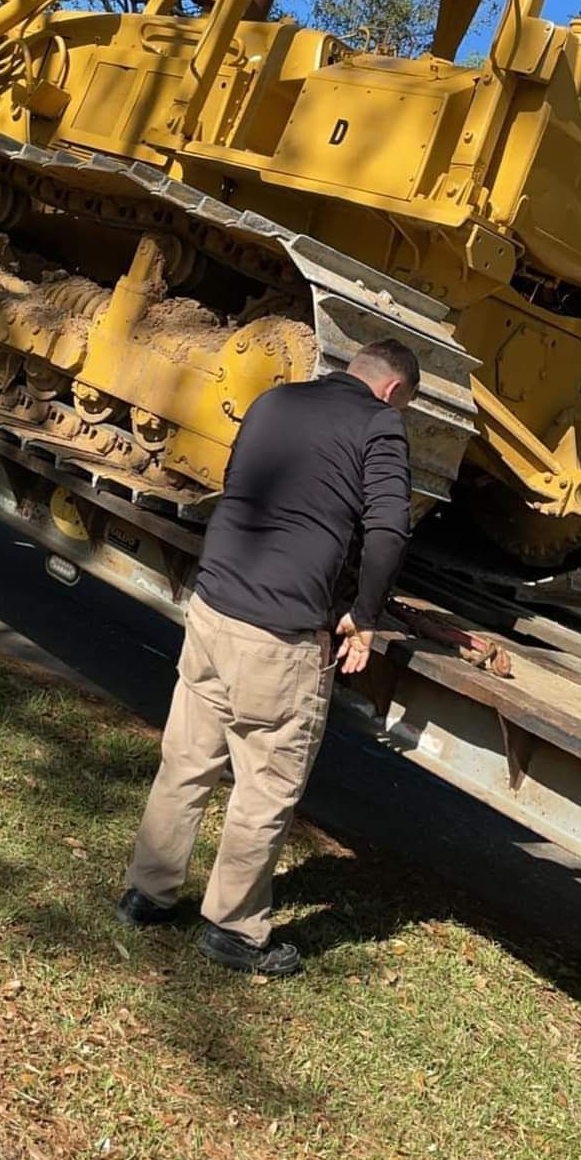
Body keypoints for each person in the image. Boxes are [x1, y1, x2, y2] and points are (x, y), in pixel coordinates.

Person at [117, 338, 419, 979]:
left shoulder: (274, 397)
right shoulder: (380, 424)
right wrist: (364, 616)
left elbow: (241, 486)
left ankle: (148, 892)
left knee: (187, 760)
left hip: (215, 604)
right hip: (280, 634)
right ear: (392, 391)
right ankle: (234, 930)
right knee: (265, 784)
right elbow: (390, 528)